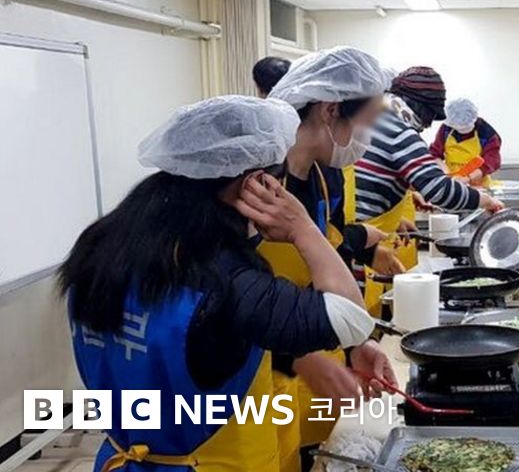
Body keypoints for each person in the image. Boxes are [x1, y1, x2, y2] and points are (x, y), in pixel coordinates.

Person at [60, 96, 383, 472]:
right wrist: (302, 228)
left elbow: (211, 343)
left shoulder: (101, 245)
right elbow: (351, 317)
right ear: (257, 183)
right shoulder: (224, 276)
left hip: (122, 456)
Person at [266, 46, 401, 472]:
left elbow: (327, 264)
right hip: (245, 373)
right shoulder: (259, 183)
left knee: (304, 456)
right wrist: (299, 357)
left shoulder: (323, 177)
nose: (367, 137)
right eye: (366, 123)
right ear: (329, 110)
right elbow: (223, 296)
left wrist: (357, 343)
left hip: (302, 352)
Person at [355, 67, 503, 313]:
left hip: (360, 233)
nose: (425, 126)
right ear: (418, 106)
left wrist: (395, 220)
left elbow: (367, 182)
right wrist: (484, 200)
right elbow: (440, 191)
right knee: (356, 317)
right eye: (428, 116)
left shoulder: (373, 118)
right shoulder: (398, 130)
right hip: (357, 242)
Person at [429, 97, 502, 188]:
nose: (462, 129)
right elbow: (434, 154)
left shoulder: (486, 132)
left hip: (479, 185)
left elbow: (492, 161)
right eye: (458, 127)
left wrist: (468, 178)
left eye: (465, 126)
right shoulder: (446, 129)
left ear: (473, 120)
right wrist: (447, 174)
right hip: (452, 182)